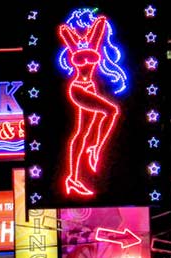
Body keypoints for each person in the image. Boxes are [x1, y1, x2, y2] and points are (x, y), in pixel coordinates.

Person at [57, 7, 128, 197]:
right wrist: (79, 35)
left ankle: (74, 178)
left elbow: (101, 22)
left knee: (81, 132)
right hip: (78, 88)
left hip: (90, 88)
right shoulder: (74, 44)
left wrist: (91, 25)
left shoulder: (94, 43)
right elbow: (64, 30)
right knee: (111, 111)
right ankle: (95, 146)